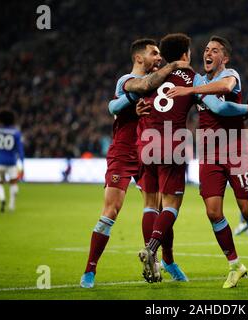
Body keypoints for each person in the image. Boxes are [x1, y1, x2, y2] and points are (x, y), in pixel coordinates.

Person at [134, 33, 248, 285]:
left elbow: (133, 97)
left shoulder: (153, 76)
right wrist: (247, 109)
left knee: (149, 203)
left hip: (146, 141)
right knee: (170, 206)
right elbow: (219, 107)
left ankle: (161, 260)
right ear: (186, 54)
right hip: (172, 141)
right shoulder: (191, 78)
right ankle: (154, 249)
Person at [80, 38, 191, 288]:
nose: (159, 58)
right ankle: (90, 270)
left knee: (159, 208)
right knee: (111, 211)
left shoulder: (158, 80)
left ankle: (166, 261)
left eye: (161, 54)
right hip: (122, 151)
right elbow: (113, 106)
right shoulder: (126, 80)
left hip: (147, 150)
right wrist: (132, 101)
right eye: (154, 53)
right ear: (139, 58)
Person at [167, 36, 248, 288]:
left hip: (235, 149)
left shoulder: (231, 75)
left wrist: (192, 91)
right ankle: (235, 265)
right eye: (206, 49)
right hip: (209, 153)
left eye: (214, 50)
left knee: (247, 209)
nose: (208, 53)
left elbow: (222, 100)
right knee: (213, 212)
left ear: (224, 58)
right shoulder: (198, 80)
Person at [0, 109, 24, 212]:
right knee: (13, 183)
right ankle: (11, 205)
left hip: (0, 162)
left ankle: (2, 199)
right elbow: (20, 150)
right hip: (11, 162)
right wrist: (22, 164)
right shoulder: (16, 133)